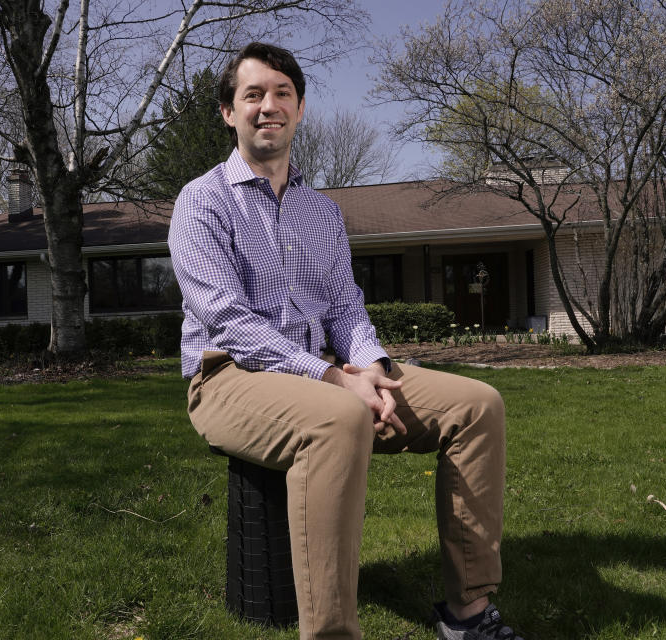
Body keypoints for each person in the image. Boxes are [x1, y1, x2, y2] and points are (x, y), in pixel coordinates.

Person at [167, 42, 524, 640]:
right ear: (229, 112)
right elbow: (227, 319)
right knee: (337, 418)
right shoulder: (201, 202)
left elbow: (345, 308)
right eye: (252, 95)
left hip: (328, 370)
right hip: (228, 377)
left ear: (300, 109)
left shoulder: (322, 213)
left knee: (478, 405)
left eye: (282, 93)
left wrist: (371, 368)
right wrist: (335, 379)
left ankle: (469, 613)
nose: (268, 106)